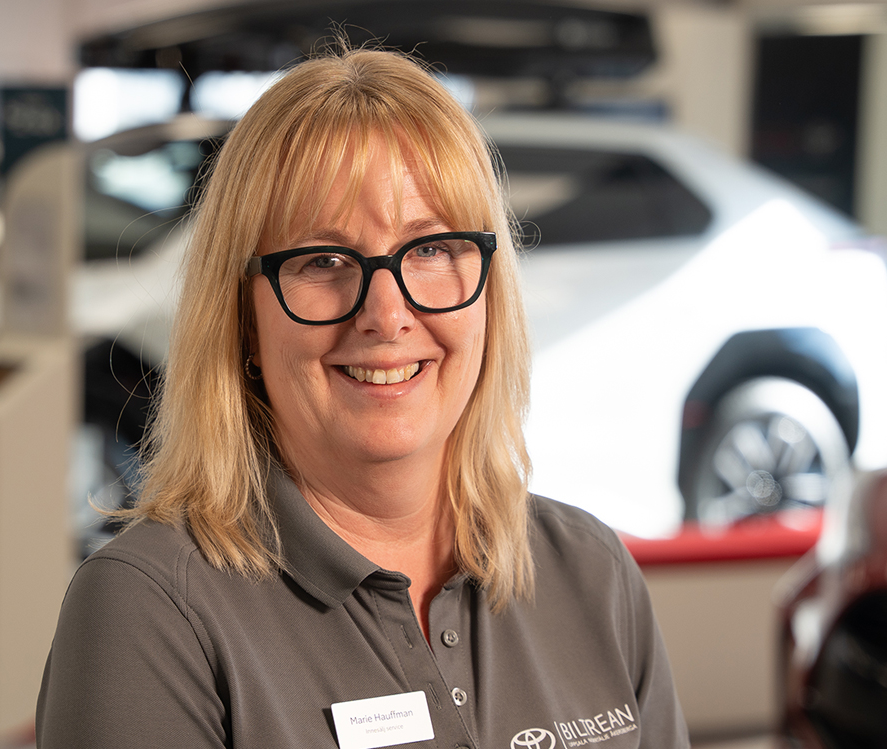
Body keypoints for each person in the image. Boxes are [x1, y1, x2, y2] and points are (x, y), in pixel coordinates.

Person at [36, 47, 689, 748]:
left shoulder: (591, 571)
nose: (386, 314)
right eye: (322, 259)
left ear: (489, 293)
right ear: (243, 319)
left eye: (431, 249)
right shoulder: (150, 610)